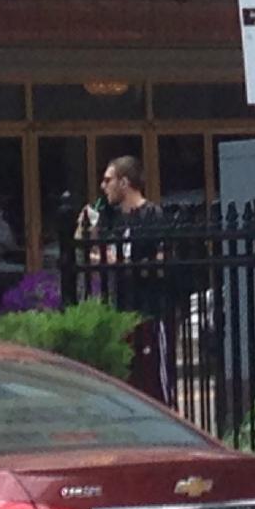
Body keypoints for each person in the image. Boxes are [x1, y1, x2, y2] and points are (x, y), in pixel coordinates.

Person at [102, 155, 174, 405]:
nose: (103, 186)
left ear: (124, 182)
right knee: (129, 383)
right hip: (123, 312)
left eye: (108, 180)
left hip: (149, 311)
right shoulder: (116, 221)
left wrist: (126, 265)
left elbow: (162, 262)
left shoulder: (152, 215)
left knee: (154, 381)